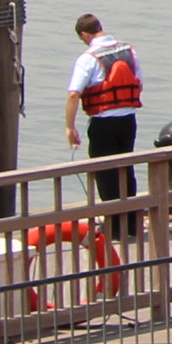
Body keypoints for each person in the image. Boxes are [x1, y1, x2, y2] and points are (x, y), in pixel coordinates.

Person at [63, 13, 143, 211]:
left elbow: (74, 94)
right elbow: (138, 83)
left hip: (103, 122)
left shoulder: (88, 58)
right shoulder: (129, 51)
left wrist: (69, 127)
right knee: (126, 168)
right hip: (128, 120)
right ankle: (131, 219)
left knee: (105, 172)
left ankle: (114, 223)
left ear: (85, 35)